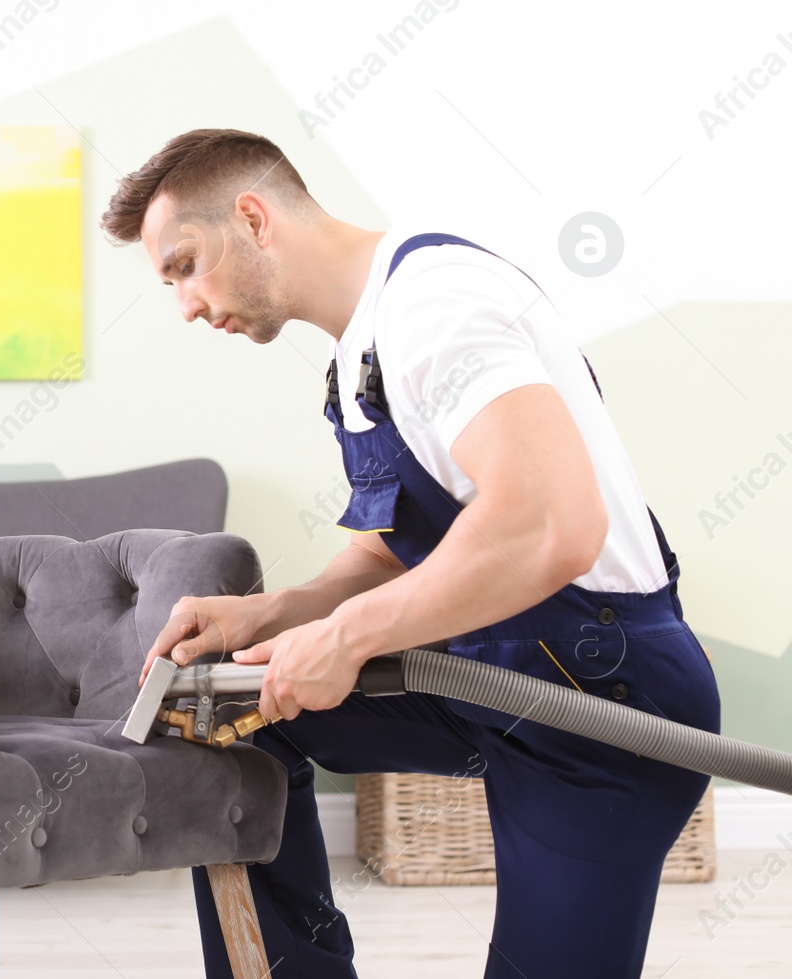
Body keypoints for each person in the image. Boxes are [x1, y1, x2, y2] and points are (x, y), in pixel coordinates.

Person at [100, 129, 720, 979]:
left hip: (605, 702)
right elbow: (386, 559)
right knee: (231, 716)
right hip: (489, 678)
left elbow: (551, 524)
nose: (187, 306)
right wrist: (268, 615)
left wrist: (349, 638)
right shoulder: (358, 354)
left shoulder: (435, 306)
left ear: (252, 216)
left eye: (184, 264)